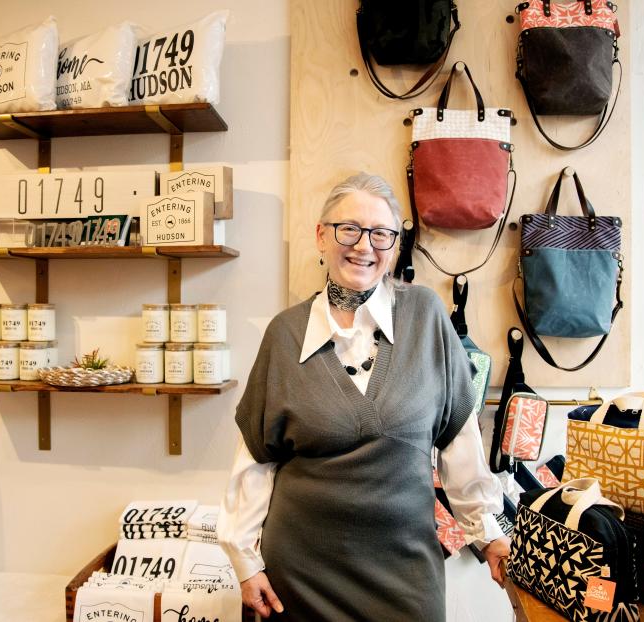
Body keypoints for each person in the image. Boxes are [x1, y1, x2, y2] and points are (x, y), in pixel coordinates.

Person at [217, 172, 511, 621]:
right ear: (321, 235)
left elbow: (459, 439)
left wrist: (488, 532)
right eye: (348, 228)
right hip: (301, 577)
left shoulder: (426, 316)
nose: (364, 245)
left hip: (405, 574)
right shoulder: (284, 334)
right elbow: (256, 458)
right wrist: (244, 561)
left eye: (381, 234)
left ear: (395, 245)